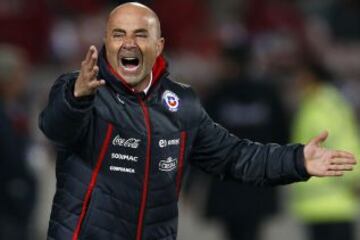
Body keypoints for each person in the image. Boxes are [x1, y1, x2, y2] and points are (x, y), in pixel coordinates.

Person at [39, 2, 357, 240]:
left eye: (140, 34)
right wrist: (77, 98)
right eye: (118, 34)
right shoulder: (80, 90)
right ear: (107, 43)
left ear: (159, 45)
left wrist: (297, 159)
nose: (129, 43)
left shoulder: (181, 105)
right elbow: (56, 128)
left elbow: (235, 157)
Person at [202, 44, 289, 240]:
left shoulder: (217, 96)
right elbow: (283, 135)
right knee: (252, 232)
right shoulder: (268, 94)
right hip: (258, 179)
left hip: (227, 183)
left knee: (235, 233)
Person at [289, 62, 360, 240]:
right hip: (322, 200)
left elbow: (344, 143)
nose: (296, 82)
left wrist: (354, 178)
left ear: (312, 77)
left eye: (300, 77)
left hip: (331, 200)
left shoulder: (323, 106)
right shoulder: (315, 104)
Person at [0, 44, 37, 240]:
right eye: (21, 73)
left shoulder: (15, 111)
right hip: (7, 211)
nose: (25, 79)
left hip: (18, 209)